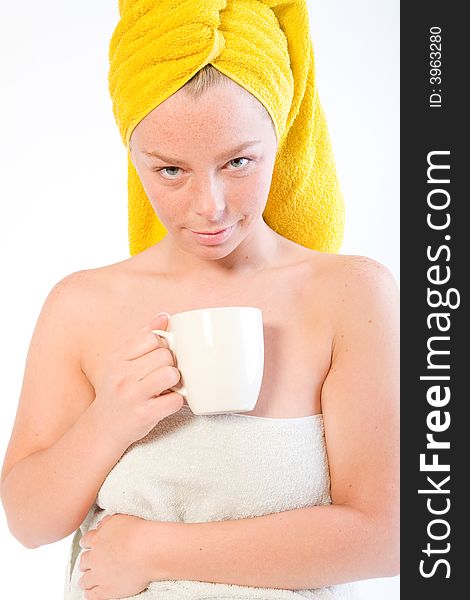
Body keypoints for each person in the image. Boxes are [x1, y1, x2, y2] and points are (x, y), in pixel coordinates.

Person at [0, 1, 399, 599]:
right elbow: (29, 523)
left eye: (238, 161)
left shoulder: (348, 295)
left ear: (281, 135)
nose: (208, 205)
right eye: (169, 170)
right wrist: (108, 422)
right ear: (132, 154)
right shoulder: (80, 304)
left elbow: (389, 535)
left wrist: (149, 550)